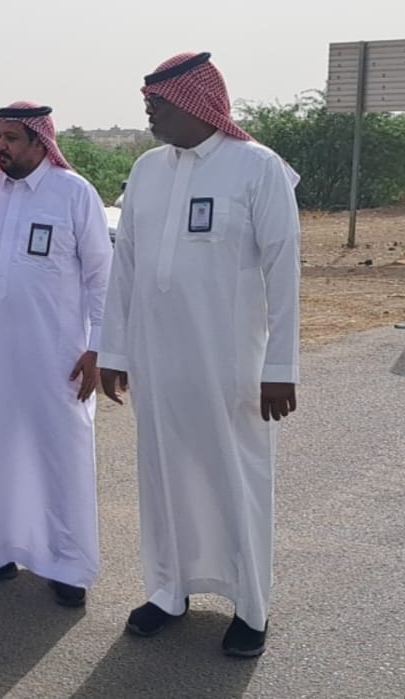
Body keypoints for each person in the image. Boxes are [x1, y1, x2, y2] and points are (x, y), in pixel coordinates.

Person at [98, 52, 301, 657]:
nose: (150, 112)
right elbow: (125, 266)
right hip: (157, 359)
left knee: (236, 477)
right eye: (148, 103)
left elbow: (284, 272)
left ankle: (251, 607)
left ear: (195, 103)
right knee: (163, 475)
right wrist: (114, 350)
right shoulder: (147, 170)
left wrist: (280, 367)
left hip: (230, 362)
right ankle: (167, 591)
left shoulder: (257, 167)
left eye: (158, 103)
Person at [0, 103, 112, 608]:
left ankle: (66, 565)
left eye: (13, 138)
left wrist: (99, 347)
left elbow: (101, 277)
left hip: (56, 357)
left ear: (41, 142)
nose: (2, 147)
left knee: (59, 458)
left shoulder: (74, 193)